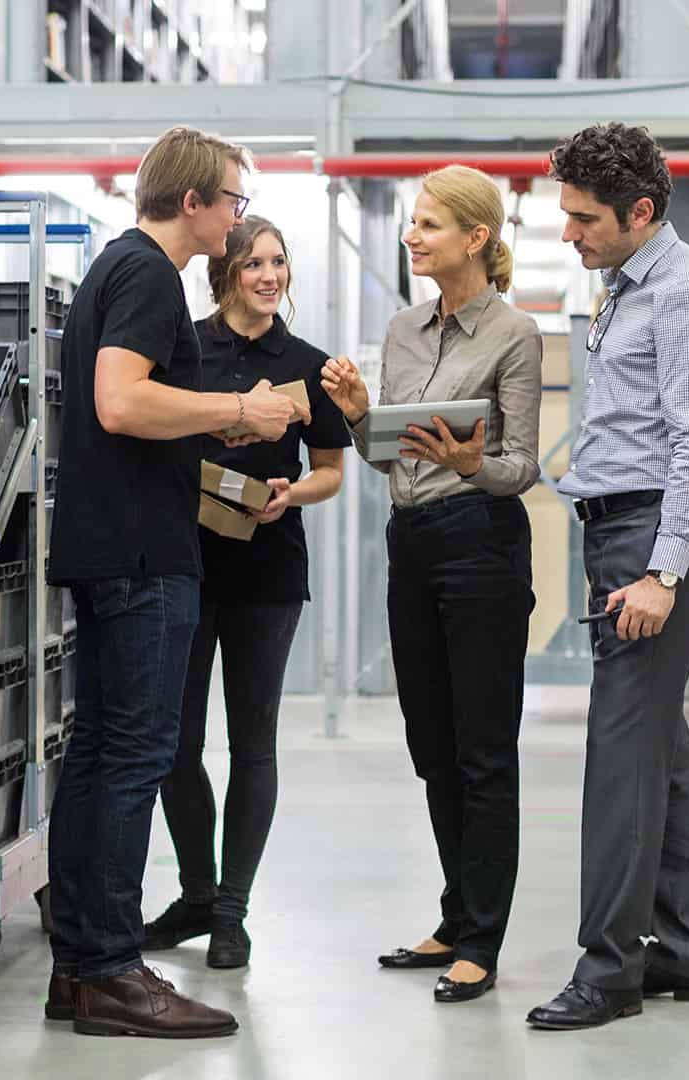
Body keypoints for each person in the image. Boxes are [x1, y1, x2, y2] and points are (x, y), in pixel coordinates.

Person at [43, 126, 308, 1040]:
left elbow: (133, 408)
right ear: (192, 201)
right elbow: (120, 401)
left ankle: (79, 966)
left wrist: (214, 426)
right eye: (233, 201)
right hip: (142, 558)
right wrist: (237, 405)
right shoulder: (152, 275)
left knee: (97, 756)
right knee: (135, 758)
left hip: (106, 544)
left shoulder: (115, 267)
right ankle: (114, 971)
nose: (238, 219)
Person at [524, 122, 689, 1032]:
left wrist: (661, 573)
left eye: (584, 218)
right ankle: (686, 952)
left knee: (619, 753)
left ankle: (609, 969)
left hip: (653, 539)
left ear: (640, 211)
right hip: (620, 527)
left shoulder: (685, 293)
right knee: (658, 747)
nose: (569, 232)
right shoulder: (625, 286)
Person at [320, 165, 541, 1005]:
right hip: (410, 540)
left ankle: (482, 939)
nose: (413, 237)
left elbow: (520, 467)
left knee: (483, 748)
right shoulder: (406, 329)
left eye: (429, 224)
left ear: (477, 238)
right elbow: (391, 456)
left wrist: (470, 462)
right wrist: (358, 411)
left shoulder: (515, 334)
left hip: (481, 543)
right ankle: (456, 916)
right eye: (413, 222)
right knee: (432, 744)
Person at [142, 216, 352, 970]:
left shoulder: (308, 365)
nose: (270, 276)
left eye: (279, 262)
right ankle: (196, 895)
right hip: (187, 564)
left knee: (252, 743)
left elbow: (331, 470)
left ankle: (231, 912)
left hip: (268, 573)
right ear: (225, 273)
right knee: (175, 744)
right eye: (255, 263)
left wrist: (291, 494)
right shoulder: (184, 351)